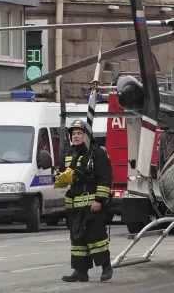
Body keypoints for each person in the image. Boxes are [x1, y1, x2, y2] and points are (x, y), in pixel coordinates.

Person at [60, 119, 114, 283]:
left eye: (79, 133)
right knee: (77, 239)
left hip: (92, 204)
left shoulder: (97, 153)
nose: (75, 136)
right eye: (73, 134)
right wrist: (61, 178)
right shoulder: (70, 153)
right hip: (75, 205)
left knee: (95, 237)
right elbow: (65, 173)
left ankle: (106, 267)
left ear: (86, 135)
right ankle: (80, 271)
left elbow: (105, 177)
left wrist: (99, 200)